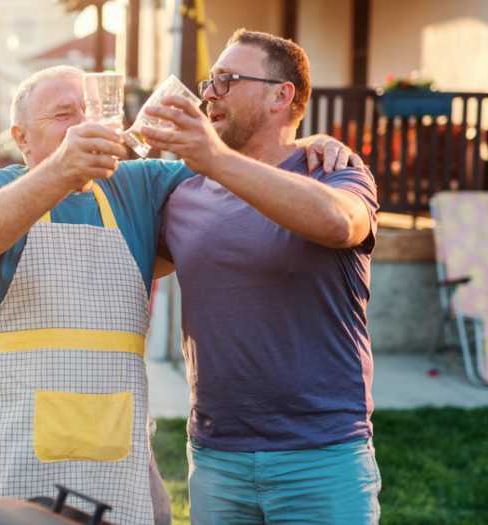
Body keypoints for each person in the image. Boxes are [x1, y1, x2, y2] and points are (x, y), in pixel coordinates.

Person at [0, 64, 355, 524]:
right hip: (5, 446)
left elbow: (241, 166)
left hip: (114, 451)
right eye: (63, 115)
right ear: (22, 138)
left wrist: (301, 145)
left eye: (90, 109)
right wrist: (60, 170)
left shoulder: (140, 184)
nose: (83, 123)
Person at [143, 30, 381, 524]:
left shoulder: (336, 173)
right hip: (215, 457)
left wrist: (217, 159)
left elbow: (340, 224)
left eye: (227, 81)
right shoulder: (186, 194)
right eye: (210, 82)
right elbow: (129, 263)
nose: (209, 93)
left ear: (281, 95)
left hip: (323, 456)